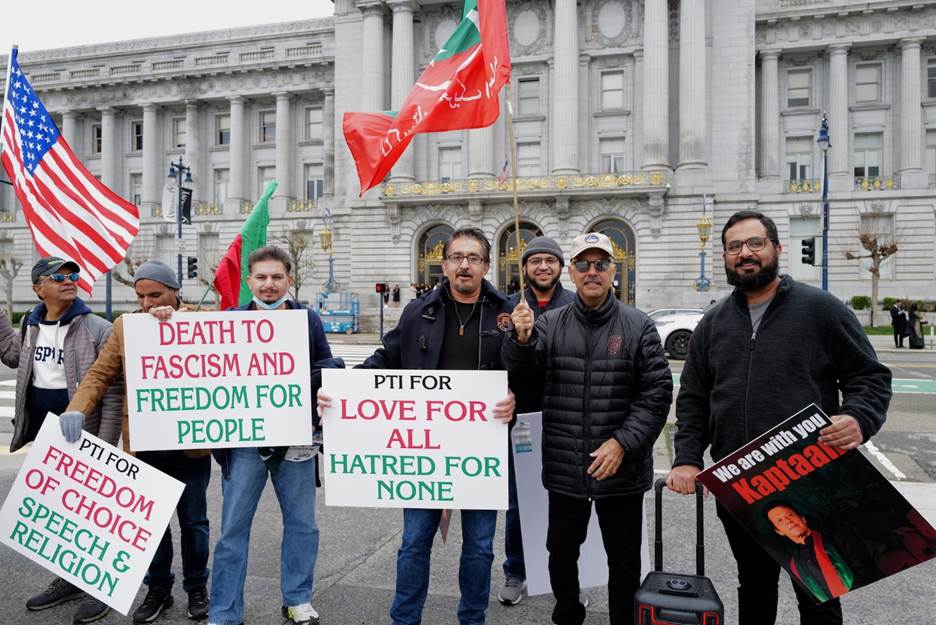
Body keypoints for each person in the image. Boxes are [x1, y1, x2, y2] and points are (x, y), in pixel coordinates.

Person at [666, 210, 892, 625]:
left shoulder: (821, 310)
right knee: (753, 585)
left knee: (818, 592)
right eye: (734, 247)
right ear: (725, 256)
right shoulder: (713, 323)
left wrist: (858, 419)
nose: (745, 254)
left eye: (755, 243)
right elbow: (694, 399)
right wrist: (687, 458)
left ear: (776, 248)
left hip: (809, 478)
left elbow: (869, 379)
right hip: (741, 481)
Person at [318, 227, 518, 625]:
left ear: (486, 266)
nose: (464, 265)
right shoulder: (418, 311)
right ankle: (405, 619)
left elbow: (527, 372)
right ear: (444, 264)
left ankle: (472, 619)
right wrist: (344, 390)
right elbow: (387, 358)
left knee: (479, 548)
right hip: (424, 451)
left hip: (482, 452)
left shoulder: (508, 314)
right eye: (457, 257)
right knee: (413, 544)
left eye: (473, 258)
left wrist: (516, 398)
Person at [503, 232, 673, 625]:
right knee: (560, 551)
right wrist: (522, 339)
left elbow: (657, 394)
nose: (591, 271)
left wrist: (622, 443)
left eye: (600, 264)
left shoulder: (638, 326)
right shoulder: (549, 323)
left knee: (624, 560)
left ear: (614, 271)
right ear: (572, 274)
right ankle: (568, 613)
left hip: (622, 470)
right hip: (566, 469)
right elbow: (526, 380)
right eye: (583, 264)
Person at [63, 260, 212, 624]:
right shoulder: (125, 327)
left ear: (176, 292)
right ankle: (158, 588)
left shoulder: (202, 321)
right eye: (141, 296)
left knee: (194, 521)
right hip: (144, 443)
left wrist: (178, 321)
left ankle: (197, 587)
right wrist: (77, 408)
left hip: (190, 442)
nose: (147, 303)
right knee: (153, 524)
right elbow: (99, 373)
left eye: (155, 294)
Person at [208, 246, 336, 625]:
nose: (268, 285)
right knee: (232, 530)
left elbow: (326, 364)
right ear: (249, 282)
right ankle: (225, 611)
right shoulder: (229, 319)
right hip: (244, 442)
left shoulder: (307, 319)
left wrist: (306, 380)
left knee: (302, 524)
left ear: (289, 280)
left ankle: (297, 599)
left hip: (296, 438)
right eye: (261, 278)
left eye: (276, 277)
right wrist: (164, 314)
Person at [0, 256, 123, 624]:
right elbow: (12, 357)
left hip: (87, 436)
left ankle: (99, 588)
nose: (69, 280)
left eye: (73, 275)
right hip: (46, 438)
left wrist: (103, 444)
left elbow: (113, 392)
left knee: (96, 516)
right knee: (65, 514)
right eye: (59, 276)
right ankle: (69, 580)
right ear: (39, 288)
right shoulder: (32, 326)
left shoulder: (97, 329)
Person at [497, 235, 575, 606]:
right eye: (535, 261)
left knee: (567, 504)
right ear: (524, 267)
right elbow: (499, 362)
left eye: (550, 260)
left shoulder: (577, 305)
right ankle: (516, 570)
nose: (542, 266)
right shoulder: (509, 307)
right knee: (518, 502)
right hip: (522, 420)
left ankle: (570, 580)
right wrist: (518, 334)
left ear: (561, 267)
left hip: (567, 418)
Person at [763, 501, 856, 603]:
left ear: (803, 518)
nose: (788, 521)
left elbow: (864, 569)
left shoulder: (836, 538)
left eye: (789, 515)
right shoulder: (794, 565)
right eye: (780, 520)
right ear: (779, 532)